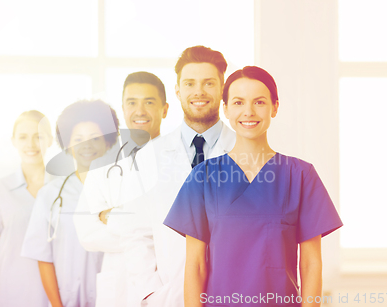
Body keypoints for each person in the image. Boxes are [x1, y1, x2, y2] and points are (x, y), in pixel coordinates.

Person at [164, 66, 343, 307]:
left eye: (259, 102)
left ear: (274, 107)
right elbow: (195, 266)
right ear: (225, 109)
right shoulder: (203, 177)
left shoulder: (301, 176)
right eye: (238, 102)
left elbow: (311, 264)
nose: (248, 112)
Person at [138, 45, 236, 306]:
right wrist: (151, 293)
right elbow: (139, 233)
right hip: (169, 297)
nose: (199, 92)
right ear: (178, 90)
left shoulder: (244, 151)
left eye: (208, 83)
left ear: (223, 88)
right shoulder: (150, 156)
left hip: (233, 293)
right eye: (190, 83)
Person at [74, 71, 169, 307]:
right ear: (124, 109)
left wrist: (112, 217)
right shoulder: (102, 166)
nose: (140, 111)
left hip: (168, 285)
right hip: (118, 290)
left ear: (165, 109)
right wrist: (155, 232)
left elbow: (183, 231)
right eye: (132, 102)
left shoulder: (181, 163)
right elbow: (88, 234)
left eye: (149, 102)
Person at [21, 100, 120, 307]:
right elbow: (43, 257)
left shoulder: (122, 192)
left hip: (114, 298)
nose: (87, 145)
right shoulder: (50, 195)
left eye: (95, 138)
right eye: (78, 139)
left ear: (108, 142)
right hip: (65, 300)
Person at [0, 110, 52, 307]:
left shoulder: (64, 189)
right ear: (13, 141)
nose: (31, 144)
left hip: (54, 298)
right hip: (11, 296)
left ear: (50, 140)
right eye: (23, 137)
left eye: (38, 136)